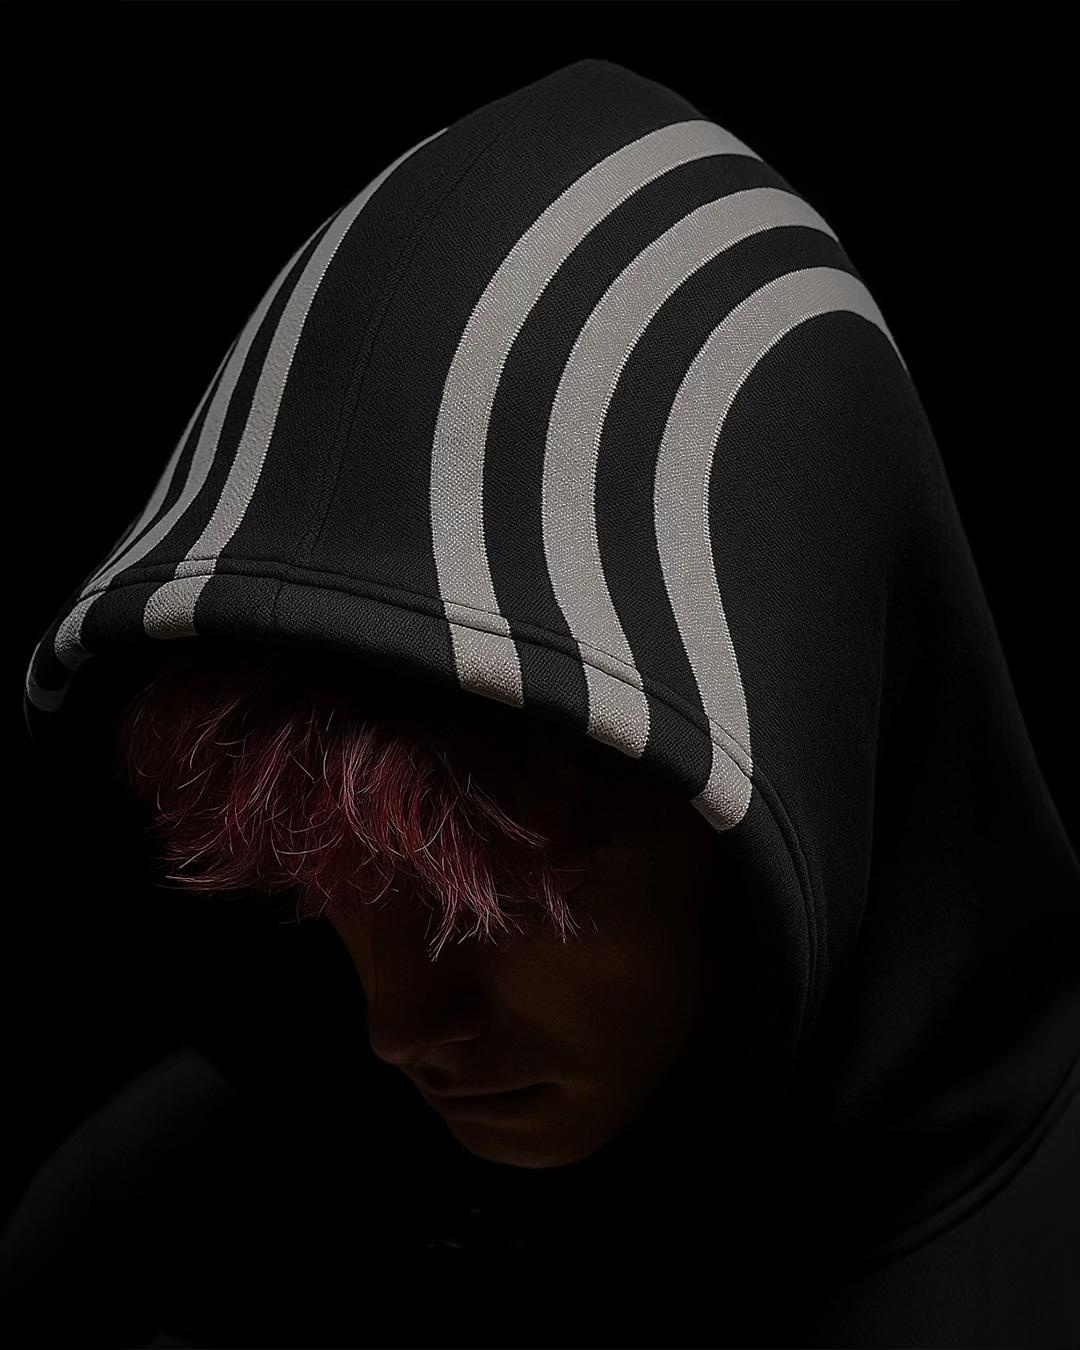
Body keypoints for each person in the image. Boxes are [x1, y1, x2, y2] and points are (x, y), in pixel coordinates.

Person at [5, 56, 1079, 1349]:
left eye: (494, 896)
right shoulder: (140, 1248)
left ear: (796, 768)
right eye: (320, 890)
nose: (402, 1024)